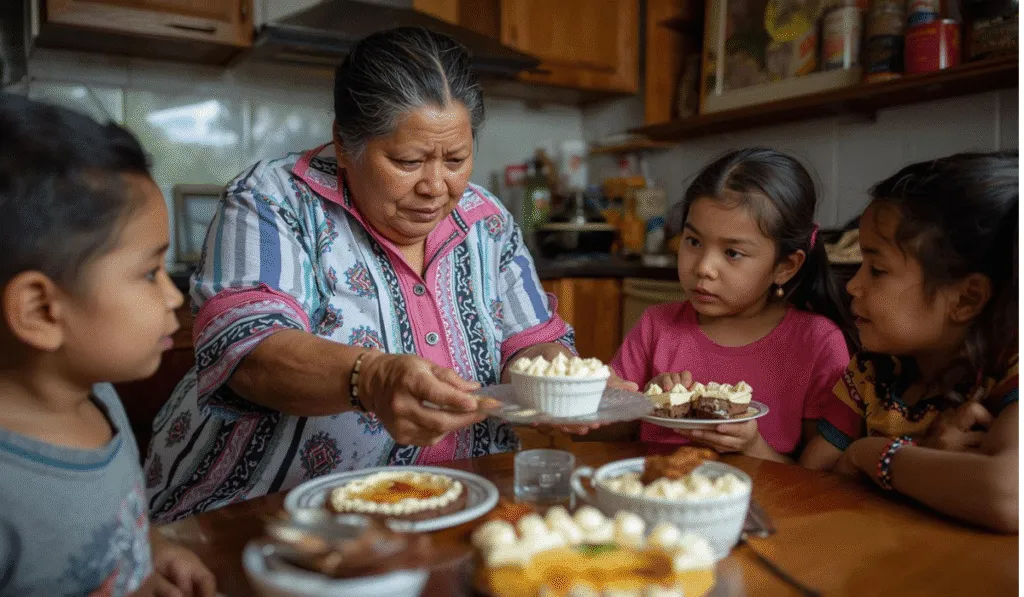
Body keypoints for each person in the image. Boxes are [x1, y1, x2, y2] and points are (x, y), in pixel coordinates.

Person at [145, 27, 632, 523]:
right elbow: (248, 351)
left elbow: (528, 343)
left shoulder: (487, 220)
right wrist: (372, 379)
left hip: (461, 504)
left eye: (456, 159)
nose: (436, 186)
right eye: (408, 161)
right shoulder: (272, 199)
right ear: (344, 143)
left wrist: (565, 379)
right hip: (268, 517)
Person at [0, 95, 215, 596]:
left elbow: (117, 526)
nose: (174, 296)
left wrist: (154, 552)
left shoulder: (97, 395)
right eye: (149, 272)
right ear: (41, 310)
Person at [803, 152, 1018, 533]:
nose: (853, 285)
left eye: (877, 270)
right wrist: (925, 458)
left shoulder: (1008, 373)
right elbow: (810, 483)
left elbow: (1009, 494)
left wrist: (869, 454)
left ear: (965, 299)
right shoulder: (871, 373)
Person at [611, 148, 855, 463]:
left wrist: (752, 446)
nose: (704, 268)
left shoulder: (817, 343)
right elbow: (602, 432)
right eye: (694, 242)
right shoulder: (656, 326)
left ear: (785, 267)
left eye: (732, 253)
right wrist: (644, 402)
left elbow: (820, 479)